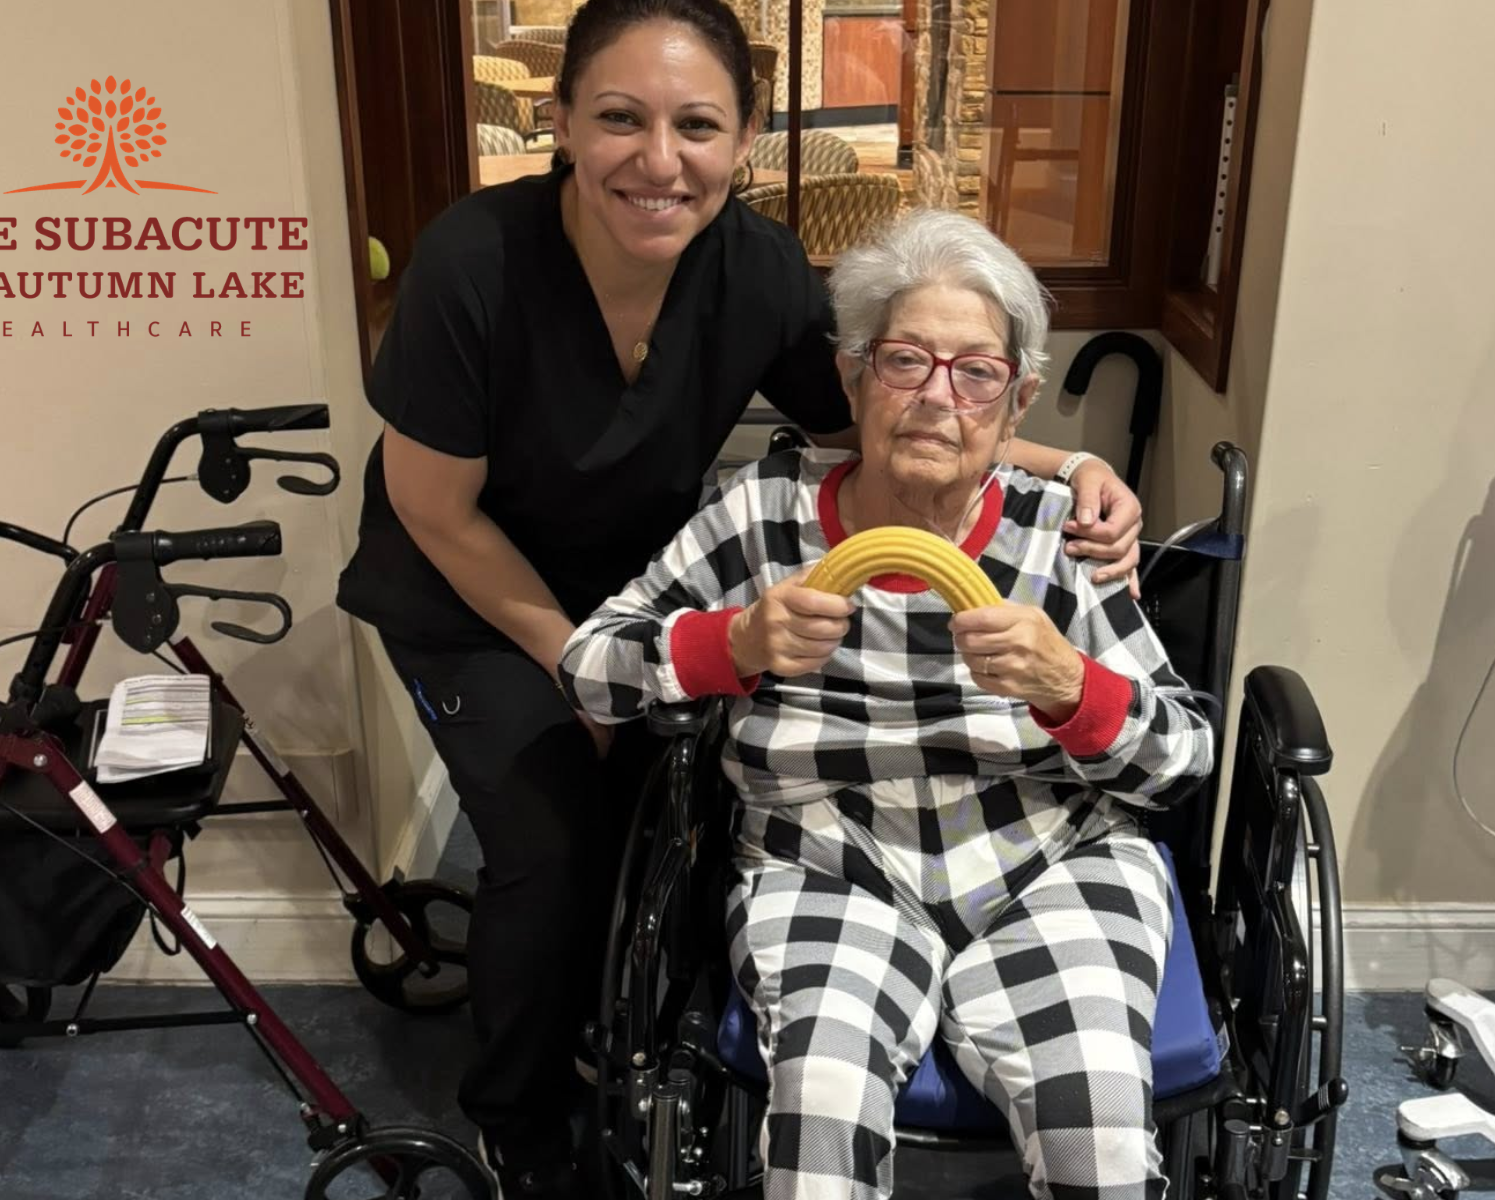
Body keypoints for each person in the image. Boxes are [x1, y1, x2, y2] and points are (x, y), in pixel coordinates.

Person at [336, 1, 1145, 1194]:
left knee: (666, 805)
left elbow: (897, 416)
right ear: (560, 122)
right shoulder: (475, 264)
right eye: (618, 118)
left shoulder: (756, 270)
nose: (658, 161)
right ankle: (522, 1117)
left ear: (745, 138)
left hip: (632, 583)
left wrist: (1068, 464)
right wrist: (588, 675)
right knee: (555, 833)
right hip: (470, 591)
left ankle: (630, 1031)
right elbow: (437, 511)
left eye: (696, 126)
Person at [559, 208, 1213, 1200]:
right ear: (854, 376)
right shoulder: (762, 516)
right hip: (830, 858)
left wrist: (1072, 688)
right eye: (905, 361)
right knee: (818, 1126)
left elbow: (1181, 756)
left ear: (1017, 400)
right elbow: (589, 663)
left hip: (1050, 857)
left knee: (1100, 1133)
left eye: (976, 372)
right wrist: (731, 643)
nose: (936, 398)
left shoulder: (1057, 538)